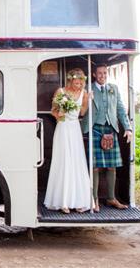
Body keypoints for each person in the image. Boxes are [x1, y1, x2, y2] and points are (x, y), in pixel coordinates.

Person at [81, 64, 133, 212]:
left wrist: (128, 128)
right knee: (95, 167)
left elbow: (120, 108)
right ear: (94, 74)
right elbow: (82, 109)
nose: (102, 75)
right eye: (99, 73)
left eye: (104, 73)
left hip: (111, 129)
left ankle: (111, 198)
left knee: (112, 166)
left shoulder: (113, 88)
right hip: (95, 129)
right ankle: (94, 200)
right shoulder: (88, 88)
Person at [44, 68, 92, 214]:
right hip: (63, 128)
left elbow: (82, 112)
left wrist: (88, 101)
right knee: (64, 162)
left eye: (80, 83)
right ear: (70, 80)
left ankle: (78, 200)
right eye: (76, 82)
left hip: (75, 128)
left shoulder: (83, 93)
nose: (78, 85)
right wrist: (60, 116)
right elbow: (53, 110)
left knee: (77, 162)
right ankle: (63, 201)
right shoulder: (61, 91)